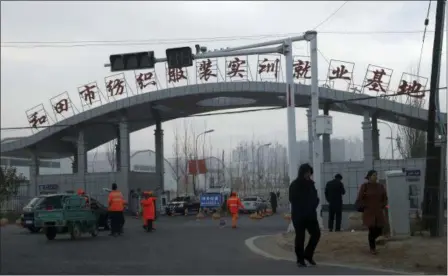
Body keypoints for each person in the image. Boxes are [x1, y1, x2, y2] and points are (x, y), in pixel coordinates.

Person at [289, 163, 321, 267]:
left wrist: (314, 204)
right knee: (300, 237)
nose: (308, 175)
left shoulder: (311, 184)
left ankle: (308, 254)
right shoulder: (295, 184)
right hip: (299, 215)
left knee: (316, 233)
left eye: (310, 173)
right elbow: (292, 199)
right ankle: (300, 259)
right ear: (302, 172)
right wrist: (304, 206)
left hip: (311, 215)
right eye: (307, 172)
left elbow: (315, 198)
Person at [355, 170, 388, 255]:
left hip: (378, 211)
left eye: (376, 175)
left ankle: (375, 241)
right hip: (369, 212)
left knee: (379, 229)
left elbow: (385, 198)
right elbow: (359, 198)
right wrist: (364, 206)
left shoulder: (380, 186)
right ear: (369, 177)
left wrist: (383, 205)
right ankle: (372, 248)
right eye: (374, 175)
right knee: (372, 229)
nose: (375, 177)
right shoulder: (365, 186)